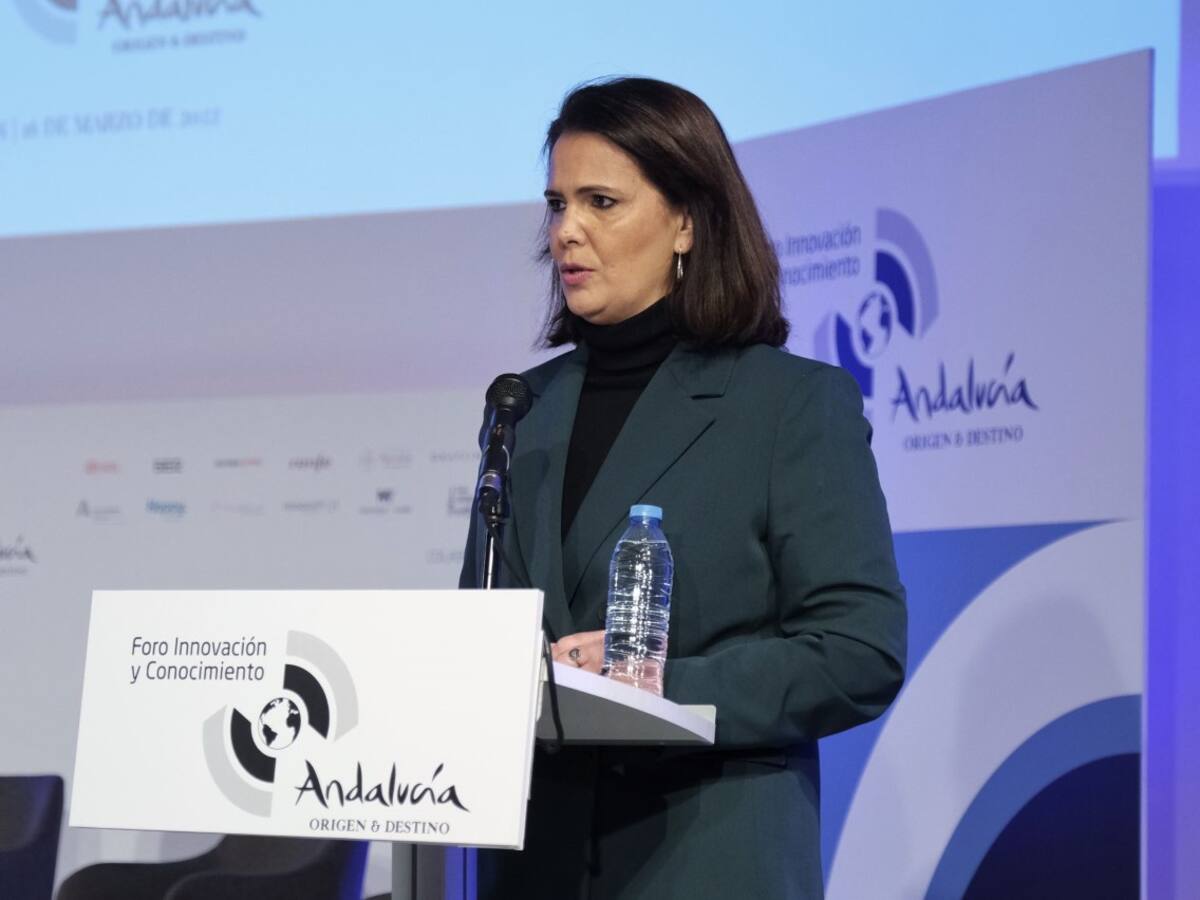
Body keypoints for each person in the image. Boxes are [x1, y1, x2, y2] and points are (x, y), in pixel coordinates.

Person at [459, 77, 906, 900]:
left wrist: (660, 687)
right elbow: (484, 633)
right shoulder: (523, 405)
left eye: (601, 202)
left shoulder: (788, 405)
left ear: (687, 223)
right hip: (533, 866)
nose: (567, 231)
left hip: (704, 862)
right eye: (557, 204)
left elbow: (859, 652)